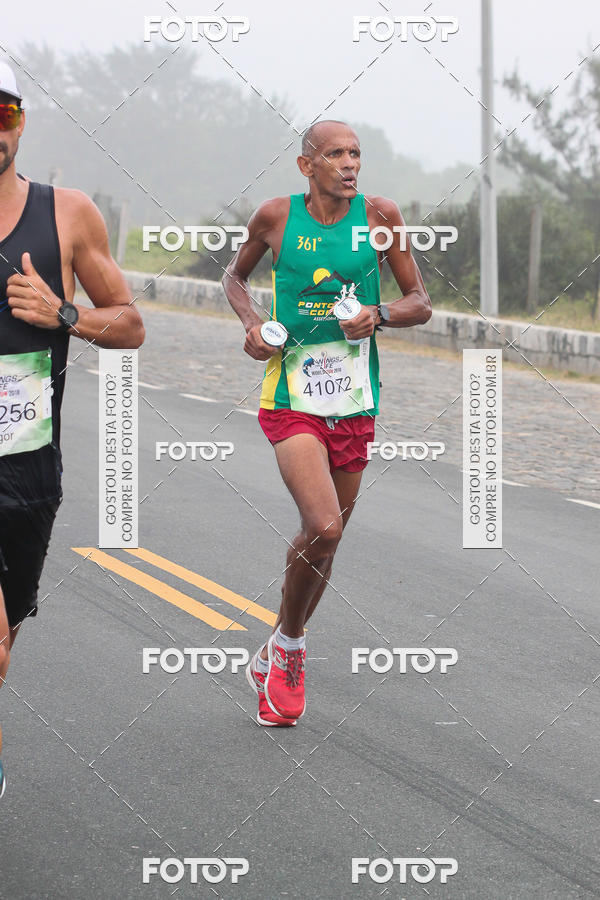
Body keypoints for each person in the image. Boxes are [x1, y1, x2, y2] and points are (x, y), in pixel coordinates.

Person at [223, 119, 431, 727]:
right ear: (305, 165)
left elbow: (419, 301)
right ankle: (290, 652)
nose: (349, 164)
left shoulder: (382, 215)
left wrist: (380, 313)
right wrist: (253, 325)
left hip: (355, 400)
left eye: (356, 154)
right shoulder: (275, 217)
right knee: (325, 525)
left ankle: (278, 644)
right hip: (290, 393)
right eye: (335, 154)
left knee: (326, 542)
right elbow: (235, 277)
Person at [0, 62, 144, 794]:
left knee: (3, 643)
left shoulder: (67, 213)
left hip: (25, 463)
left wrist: (60, 312)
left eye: (0, 114)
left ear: (19, 123)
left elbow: (130, 324)